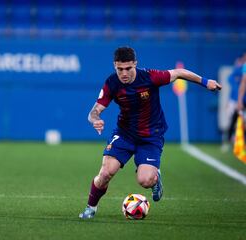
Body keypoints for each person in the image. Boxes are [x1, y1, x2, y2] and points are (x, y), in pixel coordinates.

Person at [79, 46, 222, 219]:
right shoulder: (111, 83)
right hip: (125, 134)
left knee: (145, 180)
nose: (124, 73)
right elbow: (94, 111)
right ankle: (90, 208)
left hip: (150, 136)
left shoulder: (150, 77)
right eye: (119, 69)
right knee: (106, 172)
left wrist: (206, 82)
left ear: (135, 64)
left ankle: (155, 177)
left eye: (128, 69)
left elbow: (178, 72)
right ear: (114, 66)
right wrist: (96, 120)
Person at [221, 53, 246, 152]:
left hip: (242, 100)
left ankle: (239, 142)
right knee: (231, 122)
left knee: (242, 123)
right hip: (235, 101)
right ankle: (226, 142)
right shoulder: (239, 68)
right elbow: (231, 80)